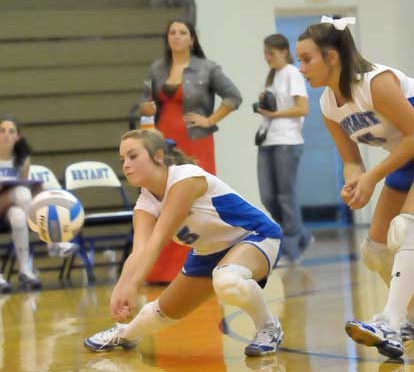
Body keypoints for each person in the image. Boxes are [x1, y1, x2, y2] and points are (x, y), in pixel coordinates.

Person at [84, 129, 283, 357]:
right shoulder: (145, 202)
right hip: (208, 253)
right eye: (122, 160)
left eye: (133, 156)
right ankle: (125, 333)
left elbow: (158, 241)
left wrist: (134, 284)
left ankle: (269, 327)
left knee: (226, 280)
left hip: (255, 236)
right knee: (160, 312)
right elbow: (139, 251)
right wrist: (121, 287)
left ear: (158, 156)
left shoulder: (185, 179)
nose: (125, 165)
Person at [296, 16, 414, 359]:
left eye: (306, 59)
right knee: (374, 250)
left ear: (332, 57)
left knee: (406, 229)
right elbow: (351, 160)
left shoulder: (376, 83)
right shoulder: (328, 105)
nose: (301, 68)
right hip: (405, 155)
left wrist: (373, 177)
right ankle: (407, 317)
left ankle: (391, 321)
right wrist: (355, 181)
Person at [139, 18, 242, 282]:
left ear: (192, 39)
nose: (176, 36)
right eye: (172, 32)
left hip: (196, 140)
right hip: (163, 142)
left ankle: (202, 265)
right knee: (164, 201)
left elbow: (234, 97)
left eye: (182, 32)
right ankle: (162, 270)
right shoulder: (157, 68)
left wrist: (210, 120)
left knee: (194, 202)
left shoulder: (207, 68)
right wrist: (145, 112)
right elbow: (145, 103)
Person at [255, 33, 313, 265]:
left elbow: (303, 108)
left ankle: (290, 247)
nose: (267, 57)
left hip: (287, 141)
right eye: (265, 53)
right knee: (268, 197)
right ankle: (303, 236)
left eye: (271, 52)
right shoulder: (272, 77)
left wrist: (275, 113)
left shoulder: (291, 73)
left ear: (283, 51)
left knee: (285, 196)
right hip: (268, 139)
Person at [0, 117, 42, 292]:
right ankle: (48, 238)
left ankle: (25, 270)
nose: (6, 135)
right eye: (2, 131)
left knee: (19, 214)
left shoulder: (22, 159)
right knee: (21, 193)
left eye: (11, 131)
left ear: (18, 136)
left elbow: (24, 185)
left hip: (9, 208)